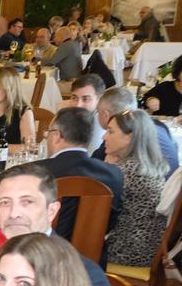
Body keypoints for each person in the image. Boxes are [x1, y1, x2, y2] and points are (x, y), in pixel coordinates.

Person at [37, 106, 125, 242]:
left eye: (48, 133)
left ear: (56, 136)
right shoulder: (114, 174)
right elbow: (111, 223)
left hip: (41, 255)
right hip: (92, 260)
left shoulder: (34, 172)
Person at [102, 108, 171, 268]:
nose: (104, 136)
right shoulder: (146, 166)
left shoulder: (127, 171)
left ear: (129, 137)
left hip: (128, 252)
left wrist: (107, 168)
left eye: (110, 132)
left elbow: (102, 214)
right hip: (148, 248)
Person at [94, 87, 180, 172]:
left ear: (105, 114)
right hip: (171, 182)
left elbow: (89, 169)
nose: (104, 136)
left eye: (98, 111)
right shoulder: (159, 125)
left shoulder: (121, 134)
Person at [68, 73, 107, 153]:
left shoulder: (98, 123)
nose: (78, 105)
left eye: (85, 99)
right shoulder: (76, 117)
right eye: (74, 98)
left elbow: (89, 157)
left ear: (100, 99)